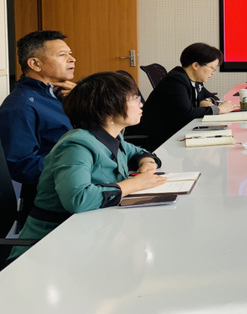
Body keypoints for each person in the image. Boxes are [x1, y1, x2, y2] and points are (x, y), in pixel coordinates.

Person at [8, 72, 167, 261]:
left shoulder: (112, 137)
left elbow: (139, 152)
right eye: (133, 99)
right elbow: (77, 198)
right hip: (49, 247)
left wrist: (147, 163)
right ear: (109, 108)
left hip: (89, 235)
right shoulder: (77, 145)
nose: (140, 104)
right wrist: (134, 184)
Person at [0, 30, 76, 224]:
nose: (72, 59)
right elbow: (21, 165)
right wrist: (75, 166)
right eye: (62, 55)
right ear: (35, 64)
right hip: (53, 200)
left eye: (70, 53)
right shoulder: (21, 105)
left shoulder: (59, 94)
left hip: (77, 183)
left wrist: (84, 98)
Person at [140, 43, 235, 149]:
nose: (213, 72)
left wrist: (205, 100)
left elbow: (210, 96)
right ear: (196, 65)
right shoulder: (175, 81)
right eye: (212, 68)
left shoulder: (195, 80)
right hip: (160, 137)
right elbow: (187, 114)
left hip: (178, 131)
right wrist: (219, 109)